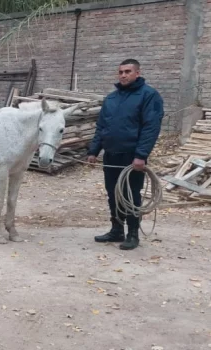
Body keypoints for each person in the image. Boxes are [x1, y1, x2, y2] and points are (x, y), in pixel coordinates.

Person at [87, 59, 164, 251]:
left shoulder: (149, 96)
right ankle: (116, 229)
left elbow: (150, 128)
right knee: (113, 194)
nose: (123, 75)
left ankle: (132, 234)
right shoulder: (111, 99)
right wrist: (93, 150)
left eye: (128, 71)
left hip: (132, 157)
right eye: (120, 72)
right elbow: (101, 127)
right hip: (111, 155)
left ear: (137, 73)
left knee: (130, 196)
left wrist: (141, 155)